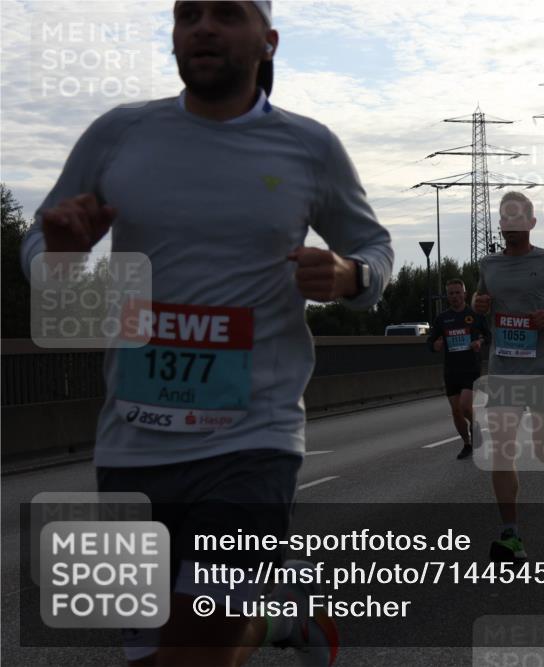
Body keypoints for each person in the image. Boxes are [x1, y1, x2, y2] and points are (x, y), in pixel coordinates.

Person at [20, 3, 393, 665]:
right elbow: (39, 248)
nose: (204, 27)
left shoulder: (310, 147)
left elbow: (373, 245)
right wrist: (60, 251)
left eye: (227, 13)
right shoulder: (119, 134)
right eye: (188, 13)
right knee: (152, 650)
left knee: (192, 649)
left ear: (269, 41)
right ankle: (284, 619)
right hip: (132, 439)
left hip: (253, 437)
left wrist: (350, 273)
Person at [473, 191, 544, 562]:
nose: (511, 224)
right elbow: (481, 300)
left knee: (541, 447)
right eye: (506, 217)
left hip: (542, 369)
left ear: (532, 223)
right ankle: (511, 535)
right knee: (501, 451)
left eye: (519, 217)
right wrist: (479, 305)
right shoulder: (488, 265)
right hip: (504, 369)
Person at [428, 279, 491, 459]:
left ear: (464, 293)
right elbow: (430, 342)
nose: (455, 296)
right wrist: (436, 345)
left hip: (471, 367)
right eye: (451, 293)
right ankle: (467, 443)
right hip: (451, 369)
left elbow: (488, 336)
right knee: (455, 410)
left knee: (464, 405)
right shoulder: (442, 319)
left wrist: (479, 342)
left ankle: (474, 424)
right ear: (447, 296)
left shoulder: (476, 315)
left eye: (458, 292)